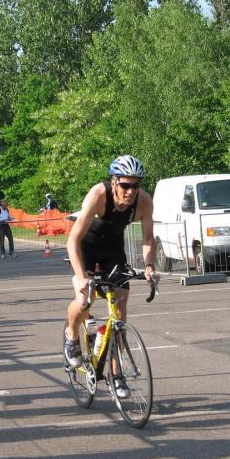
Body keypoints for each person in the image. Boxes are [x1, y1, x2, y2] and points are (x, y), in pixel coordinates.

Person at [63, 155, 157, 399]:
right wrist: (82, 278)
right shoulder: (98, 194)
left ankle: (116, 374)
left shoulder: (144, 201)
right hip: (86, 247)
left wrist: (149, 266)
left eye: (135, 185)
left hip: (113, 250)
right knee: (85, 300)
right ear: (114, 182)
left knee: (121, 310)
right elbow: (73, 240)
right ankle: (71, 334)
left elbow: (148, 238)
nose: (130, 191)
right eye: (125, 185)